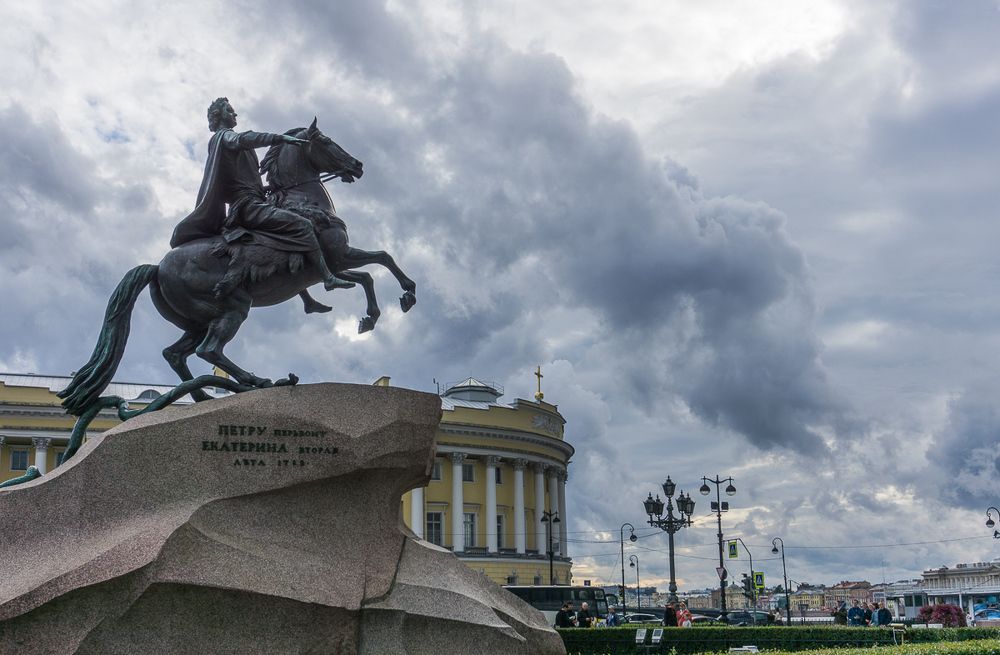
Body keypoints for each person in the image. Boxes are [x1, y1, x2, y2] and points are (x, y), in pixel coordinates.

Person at [171, 97, 355, 296]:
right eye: (230, 110)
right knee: (302, 225)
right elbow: (244, 139)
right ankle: (327, 278)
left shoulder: (225, 143)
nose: (235, 114)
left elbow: (241, 179)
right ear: (220, 116)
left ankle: (306, 297)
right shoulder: (225, 137)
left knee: (286, 229)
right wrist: (280, 138)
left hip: (252, 201)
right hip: (248, 207)